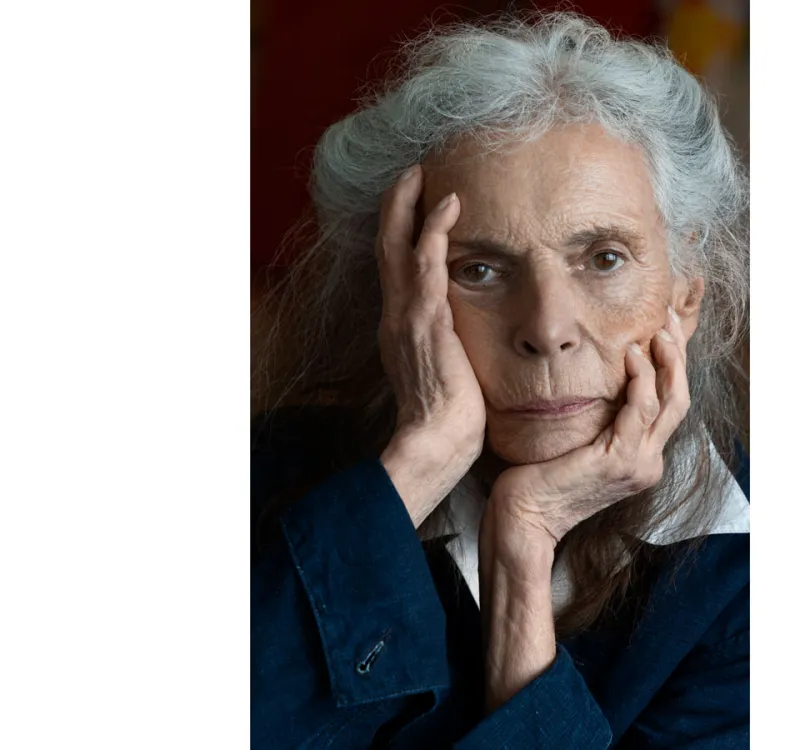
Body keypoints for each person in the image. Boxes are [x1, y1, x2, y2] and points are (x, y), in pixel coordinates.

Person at [251, 12, 750, 749]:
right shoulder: (266, 475)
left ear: (686, 294)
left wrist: (525, 543)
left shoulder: (753, 564)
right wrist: (420, 464)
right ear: (402, 291)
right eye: (478, 269)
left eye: (604, 257)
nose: (547, 327)